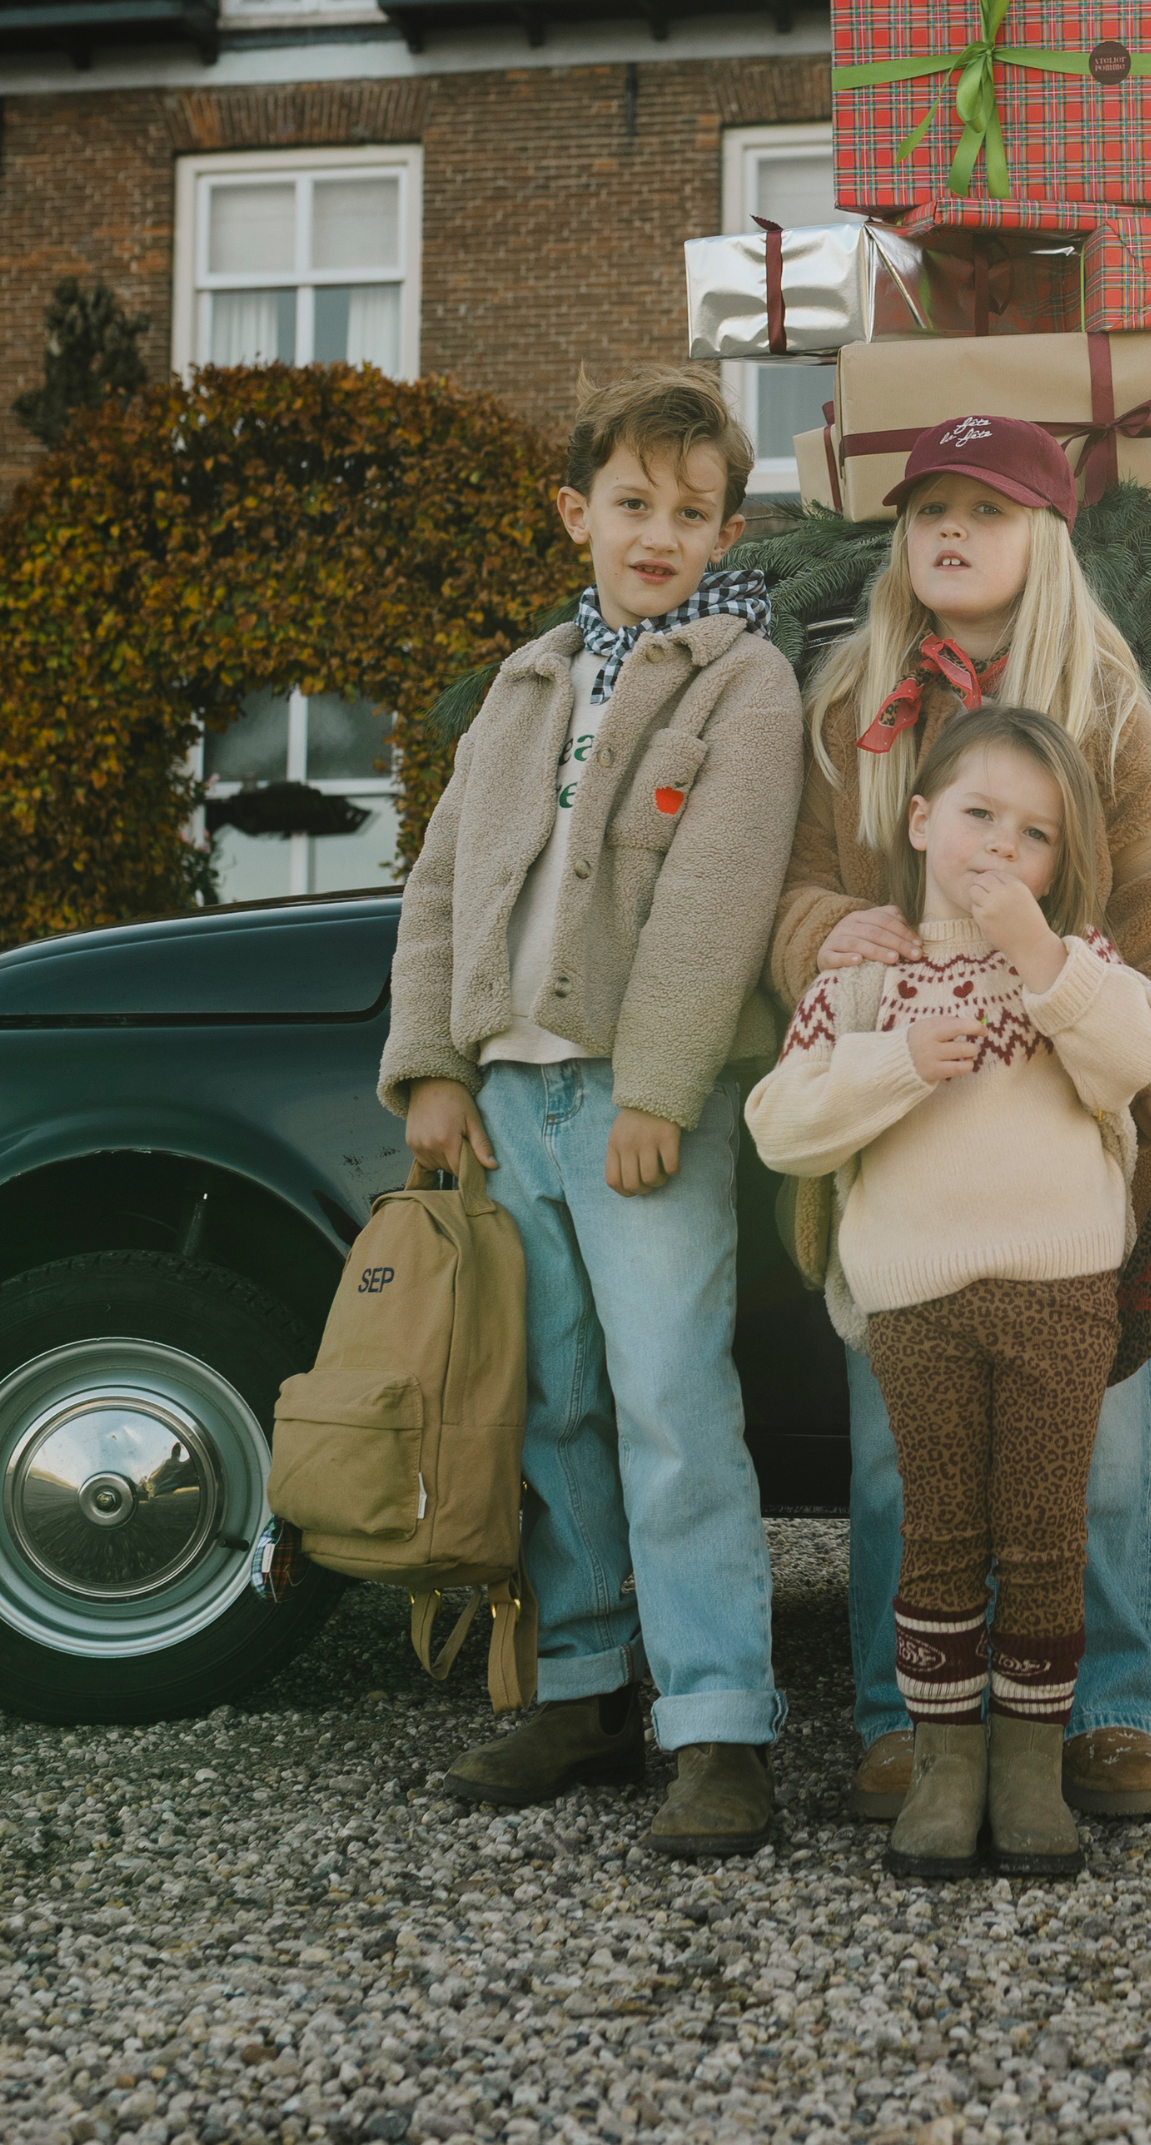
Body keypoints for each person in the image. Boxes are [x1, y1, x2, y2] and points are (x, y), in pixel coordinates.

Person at [769, 415, 1151, 1825]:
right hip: (902, 1134)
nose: (952, 532)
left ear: (1048, 540)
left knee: (1098, 1451)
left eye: (990, 512)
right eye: (930, 511)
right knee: (908, 1451)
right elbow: (785, 884)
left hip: (1066, 1126)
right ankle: (909, 1722)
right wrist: (831, 929)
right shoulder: (853, 700)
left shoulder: (1100, 706)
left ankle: (1110, 1709)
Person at [381, 366, 803, 1855]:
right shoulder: (522, 684)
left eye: (690, 513)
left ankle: (718, 1722)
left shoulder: (740, 683)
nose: (657, 532)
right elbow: (443, 880)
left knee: (672, 1405)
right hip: (510, 1098)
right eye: (632, 503)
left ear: (723, 530)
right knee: (547, 1399)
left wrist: (660, 1088)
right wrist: (433, 1060)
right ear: (577, 512)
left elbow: (716, 899)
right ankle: (578, 1687)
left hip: (635, 1111)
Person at [746, 706, 1151, 1878]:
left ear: (1059, 858)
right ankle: (946, 1768)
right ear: (923, 821)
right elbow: (779, 1125)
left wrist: (1041, 954)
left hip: (1059, 1289)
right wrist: (887, 1068)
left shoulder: (1074, 965)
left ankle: (1033, 1770)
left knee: (1043, 1534)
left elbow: (1134, 1060)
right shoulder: (869, 977)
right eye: (979, 815)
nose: (1001, 848)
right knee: (935, 1534)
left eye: (1033, 834)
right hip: (917, 1297)